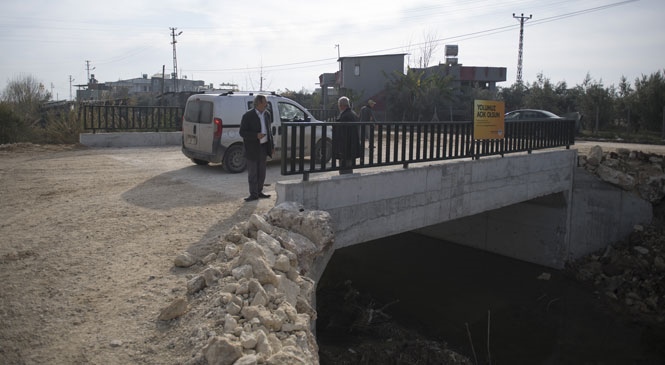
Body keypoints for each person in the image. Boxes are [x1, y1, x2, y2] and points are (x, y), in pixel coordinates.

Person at [239, 94, 274, 202]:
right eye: (265, 102)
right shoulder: (248, 116)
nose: (266, 104)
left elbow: (269, 131)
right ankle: (253, 194)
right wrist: (255, 135)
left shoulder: (267, 114)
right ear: (258, 103)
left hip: (263, 147)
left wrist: (271, 146)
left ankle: (259, 191)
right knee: (253, 173)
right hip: (252, 148)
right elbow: (242, 132)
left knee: (262, 172)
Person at [332, 96, 361, 174]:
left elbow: (341, 134)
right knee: (348, 166)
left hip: (345, 147)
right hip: (351, 146)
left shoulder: (344, 116)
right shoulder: (353, 114)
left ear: (341, 106)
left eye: (339, 106)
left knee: (344, 169)